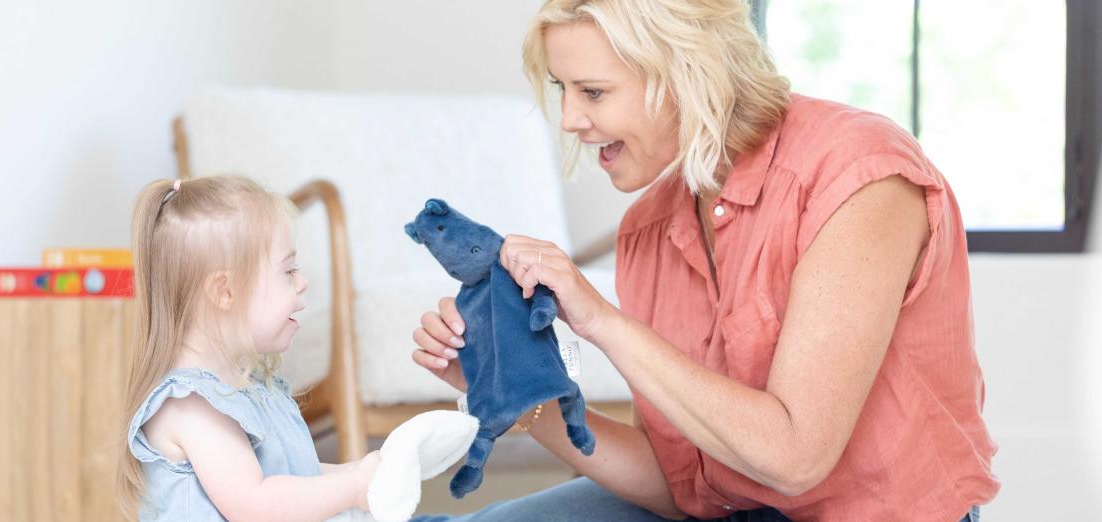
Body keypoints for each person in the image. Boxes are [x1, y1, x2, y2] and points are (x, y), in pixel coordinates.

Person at [410, 1, 998, 520]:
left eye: (593, 92)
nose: (568, 119)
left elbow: (795, 458)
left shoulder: (856, 177)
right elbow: (678, 489)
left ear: (687, 72)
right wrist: (515, 390)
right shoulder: (647, 229)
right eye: (561, 88)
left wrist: (600, 320)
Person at [117, 176, 381, 521]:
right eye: (288, 270)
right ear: (225, 292)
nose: (302, 283)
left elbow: (297, 478)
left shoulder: (245, 390)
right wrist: (353, 487)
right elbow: (256, 505)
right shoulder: (191, 405)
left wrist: (362, 473)